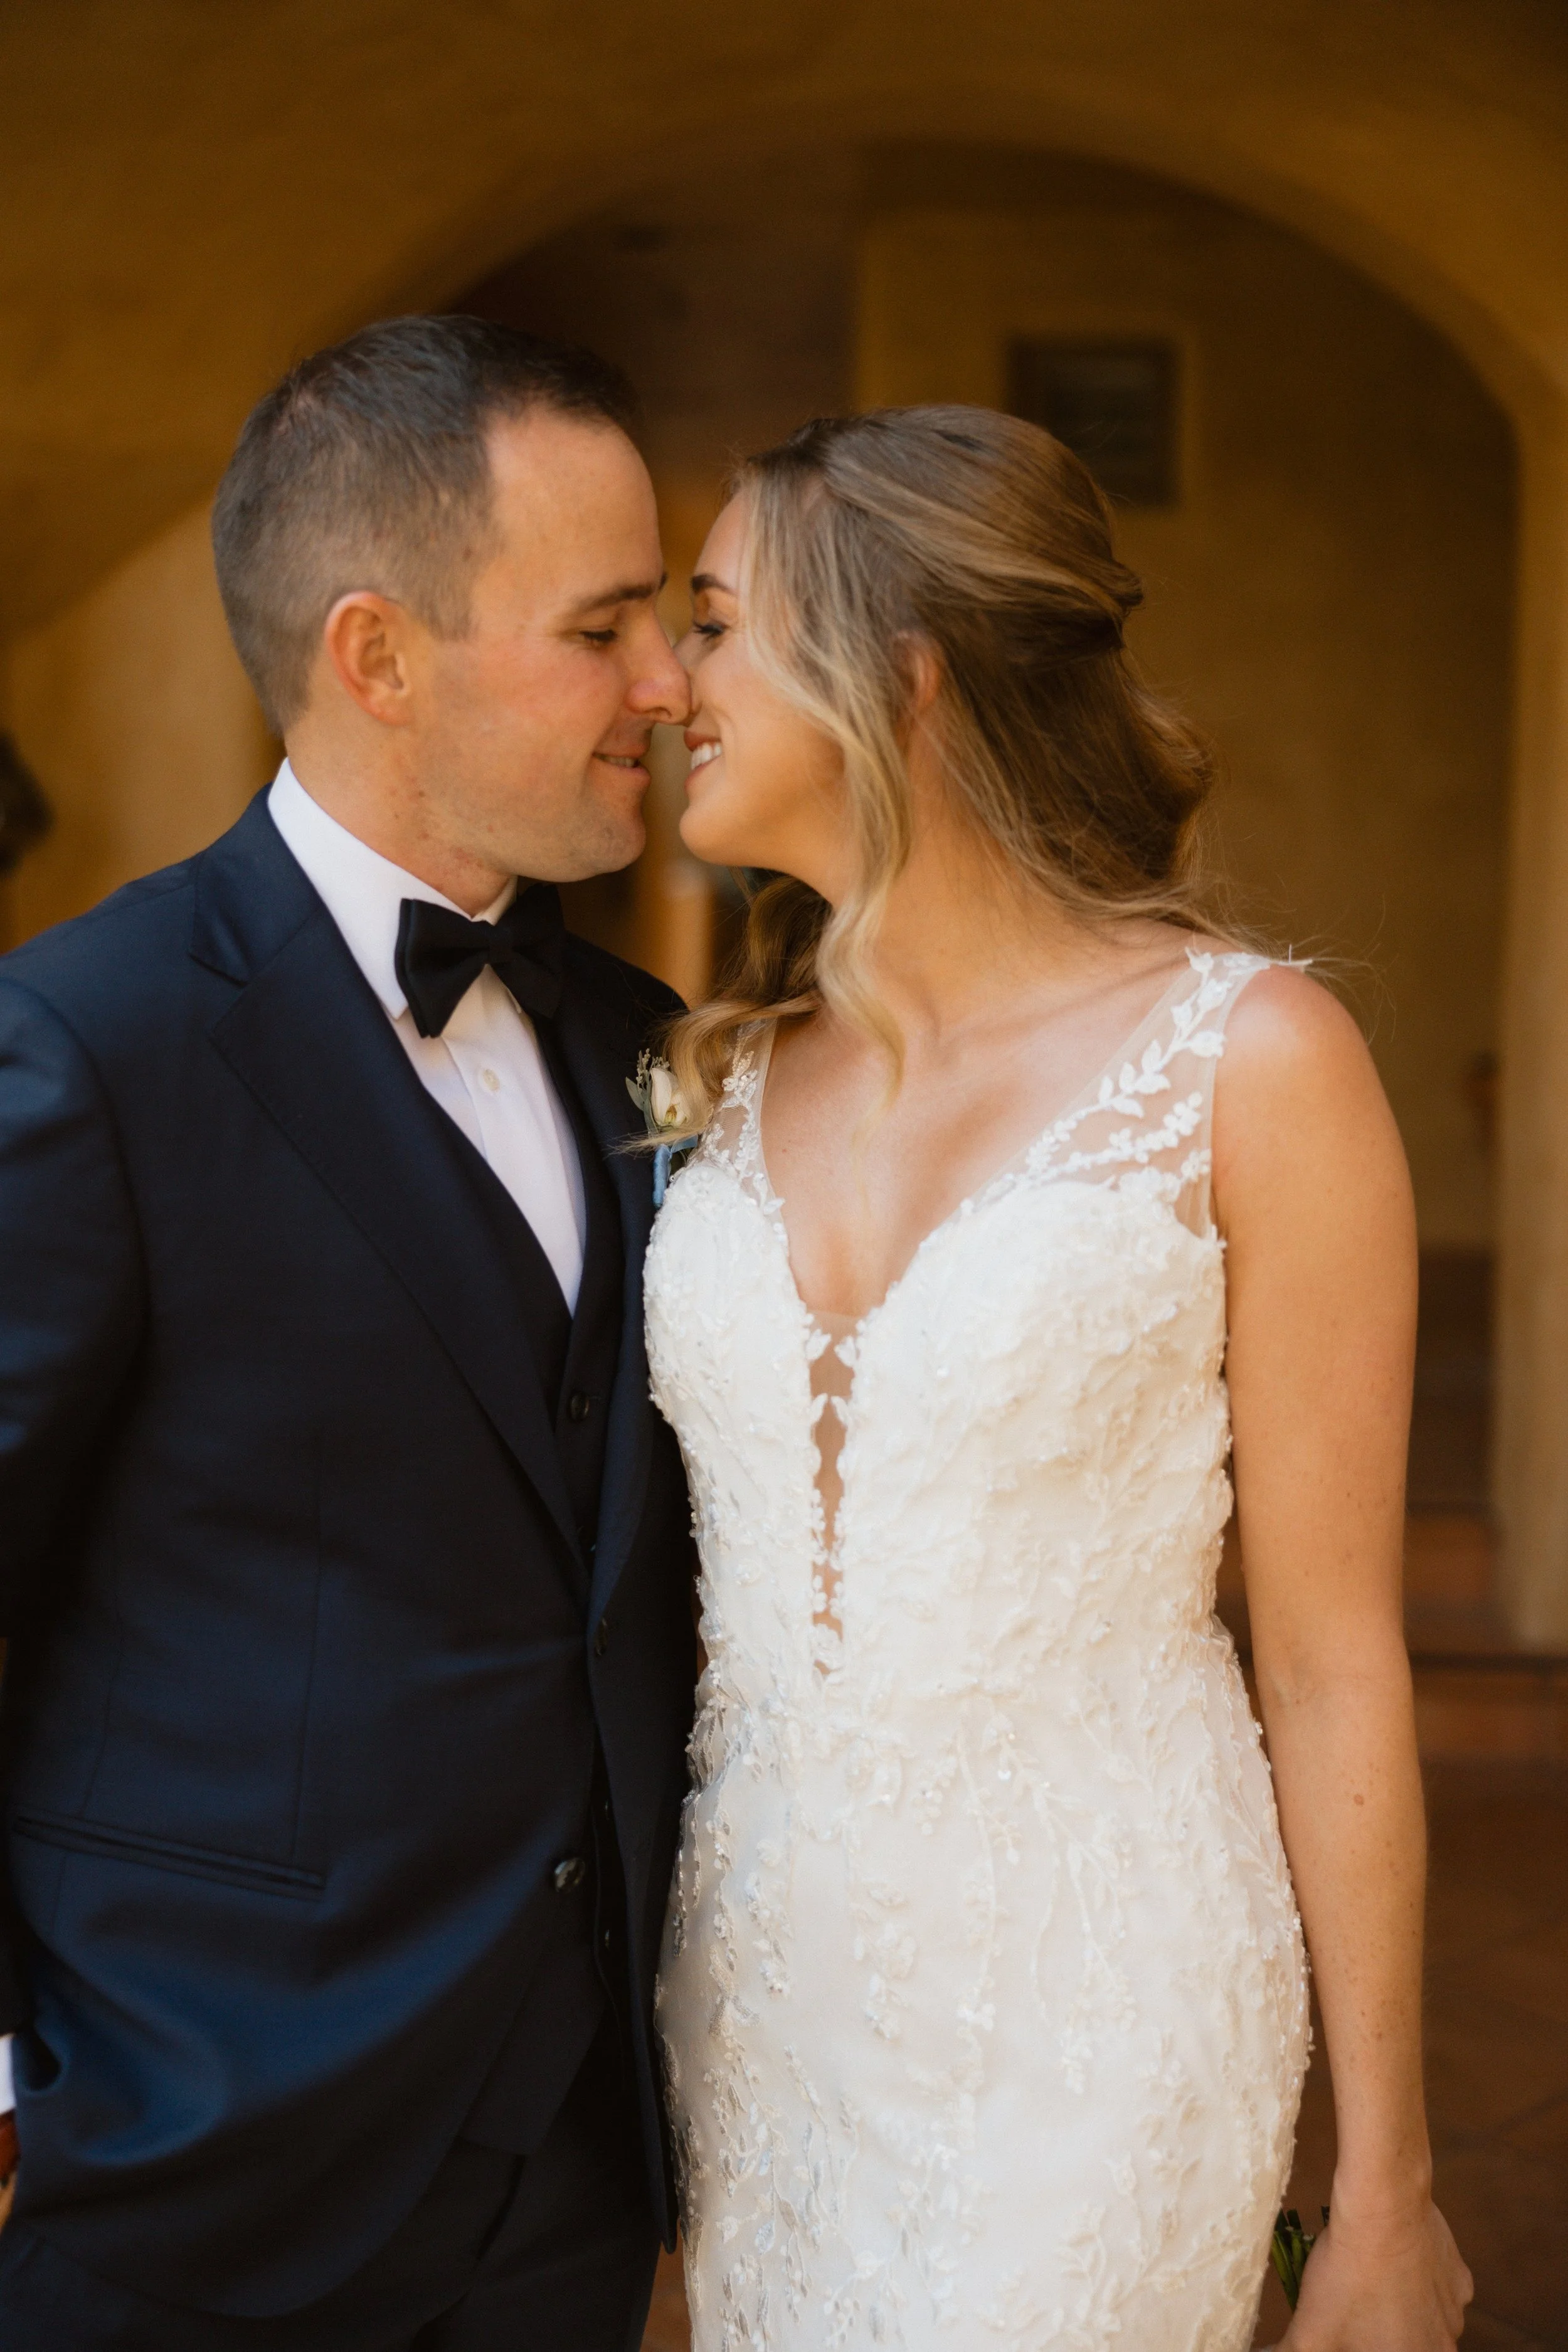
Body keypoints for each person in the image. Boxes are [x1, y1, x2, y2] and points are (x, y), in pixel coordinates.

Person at [646, 408, 1474, 2349]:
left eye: (712, 624)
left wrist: (1387, 2187)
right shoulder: (730, 1077)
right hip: (763, 1999)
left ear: (899, 673)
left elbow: (1331, 1656)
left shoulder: (1252, 1063)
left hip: (1101, 2000)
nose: (666, 681)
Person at [0, 315, 698, 2349]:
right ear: (379, 655)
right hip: (191, 2159)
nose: (665, 685)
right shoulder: (86, 1045)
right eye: (605, 627)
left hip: (574, 2162)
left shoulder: (640, 1049)